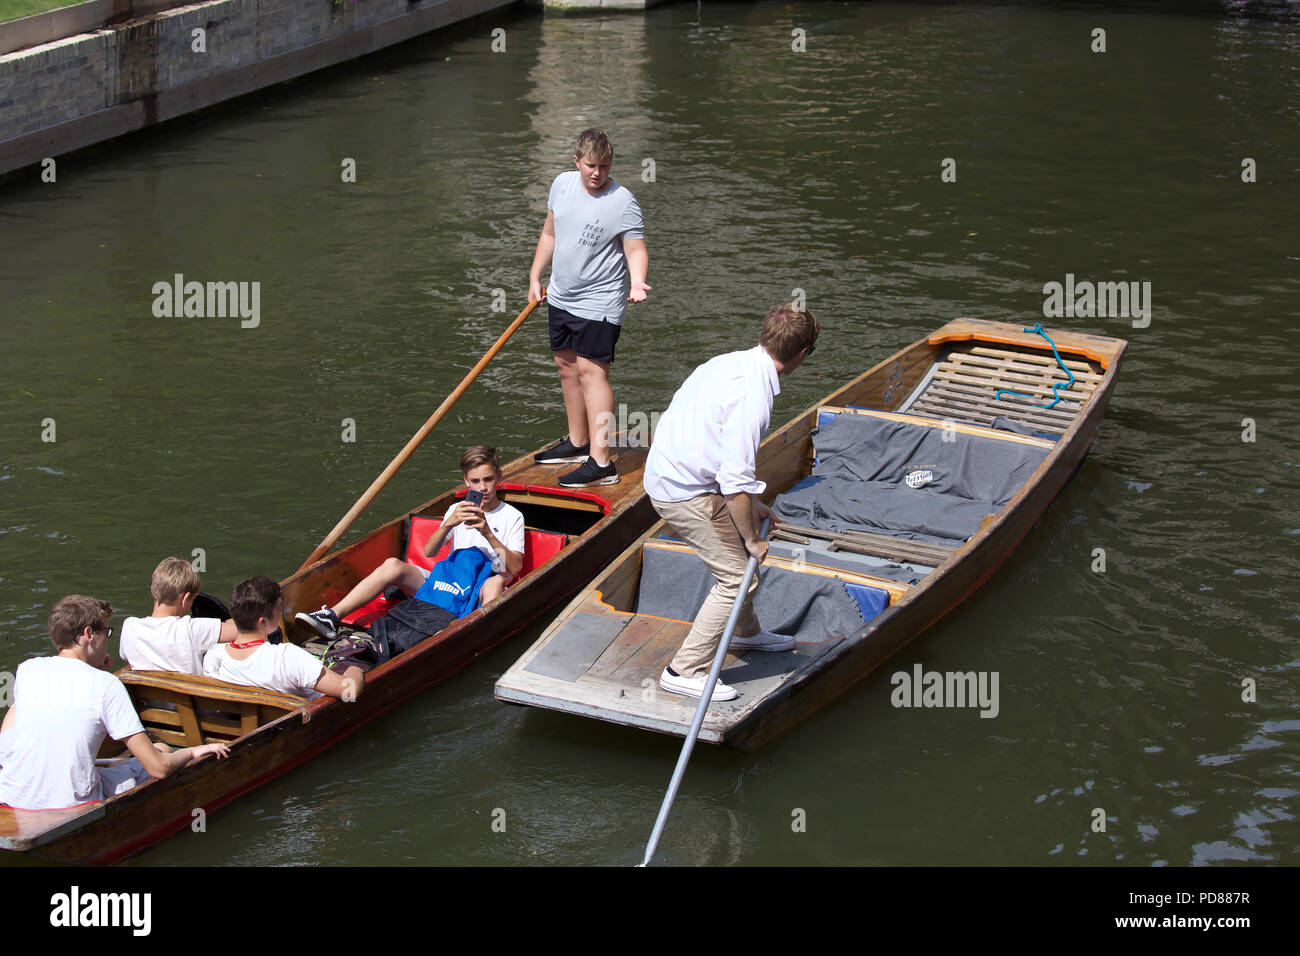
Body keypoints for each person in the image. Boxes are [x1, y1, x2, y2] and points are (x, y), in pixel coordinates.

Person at [642, 302, 820, 702]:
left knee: (739, 556)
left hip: (677, 473)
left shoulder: (727, 362)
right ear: (802, 354)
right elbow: (736, 483)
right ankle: (684, 669)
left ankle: (747, 634)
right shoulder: (753, 397)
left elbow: (728, 468)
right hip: (684, 492)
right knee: (740, 576)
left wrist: (752, 508)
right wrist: (753, 540)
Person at [0, 595, 229, 810]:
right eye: (106, 633)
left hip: (10, 795)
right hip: (71, 804)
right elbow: (158, 768)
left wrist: (94, 665)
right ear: (89, 634)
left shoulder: (28, 669)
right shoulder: (106, 685)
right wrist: (192, 752)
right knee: (161, 750)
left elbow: (6, 740)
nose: (107, 641)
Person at [295, 445, 526, 641]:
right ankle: (332, 616)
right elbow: (429, 551)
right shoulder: (456, 509)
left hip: (481, 587)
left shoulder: (512, 516)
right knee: (392, 565)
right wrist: (448, 525)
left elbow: (514, 568)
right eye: (475, 481)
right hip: (448, 583)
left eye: (488, 479)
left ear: (499, 476)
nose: (482, 488)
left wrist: (487, 532)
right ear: (466, 481)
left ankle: (466, 637)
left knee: (496, 583)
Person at [528, 127, 650, 488]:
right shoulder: (562, 185)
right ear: (577, 161)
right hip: (561, 295)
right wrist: (535, 276)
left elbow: (635, 249)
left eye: (605, 166)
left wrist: (638, 280)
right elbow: (550, 233)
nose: (598, 173)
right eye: (591, 166)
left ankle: (601, 462)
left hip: (599, 302)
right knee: (566, 368)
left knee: (592, 373)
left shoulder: (622, 201)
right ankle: (578, 442)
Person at [203, 577, 364, 701]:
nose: (281, 614)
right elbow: (349, 692)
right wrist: (354, 667)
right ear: (263, 622)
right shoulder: (287, 657)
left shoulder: (212, 655)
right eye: (279, 610)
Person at [120, 556, 238, 674]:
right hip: (189, 692)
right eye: (194, 599)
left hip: (145, 692)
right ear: (184, 599)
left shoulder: (130, 627)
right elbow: (246, 629)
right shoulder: (192, 629)